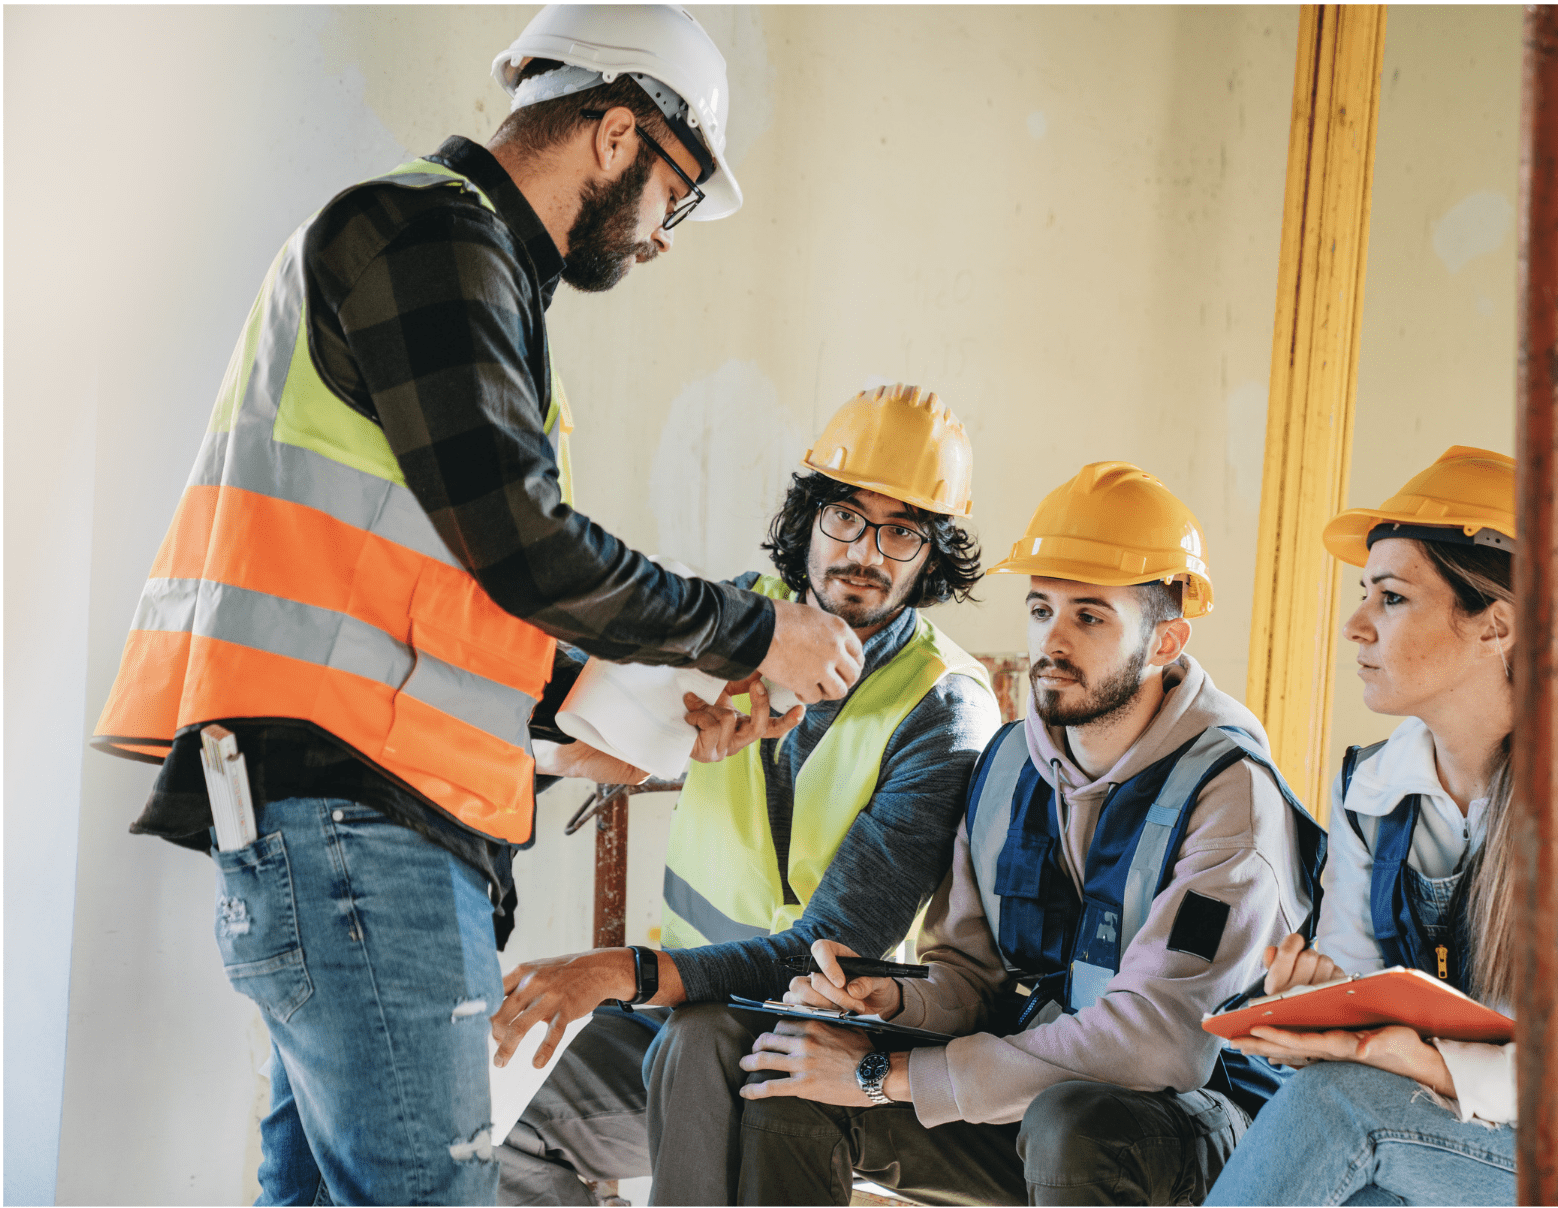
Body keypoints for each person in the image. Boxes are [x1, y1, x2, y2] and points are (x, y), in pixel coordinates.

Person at [87, 7, 864, 1204]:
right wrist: (758, 628)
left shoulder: (468, 273)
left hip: (352, 823)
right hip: (358, 833)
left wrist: (644, 709)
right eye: (678, 194)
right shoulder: (428, 239)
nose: (665, 239)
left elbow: (456, 604)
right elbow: (529, 548)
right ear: (615, 133)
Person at [730, 462, 1327, 1206]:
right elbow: (969, 979)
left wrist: (882, 1076)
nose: (1053, 639)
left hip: (1206, 1121)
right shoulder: (1010, 764)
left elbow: (1156, 1043)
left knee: (1075, 1123)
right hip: (1038, 1097)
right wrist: (893, 1003)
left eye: (1090, 616)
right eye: (1042, 608)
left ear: (1167, 640)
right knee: (794, 1077)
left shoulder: (1230, 796)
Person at [491, 384, 1003, 1206]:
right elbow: (581, 735)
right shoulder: (736, 616)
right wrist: (616, 746)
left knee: (700, 1046)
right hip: (680, 1004)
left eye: (902, 532)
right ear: (806, 521)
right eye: (845, 517)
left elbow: (821, 950)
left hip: (824, 1034)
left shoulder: (944, 708)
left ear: (932, 560)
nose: (865, 551)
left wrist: (614, 969)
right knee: (502, 1106)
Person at [1204, 445, 1558, 1206]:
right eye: (1365, 594)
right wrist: (1322, 1011)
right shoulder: (1373, 787)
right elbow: (1360, 1012)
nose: (1358, 626)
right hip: (1452, 1138)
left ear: (1496, 626)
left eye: (1391, 598)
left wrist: (1422, 1062)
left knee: (1341, 1109)